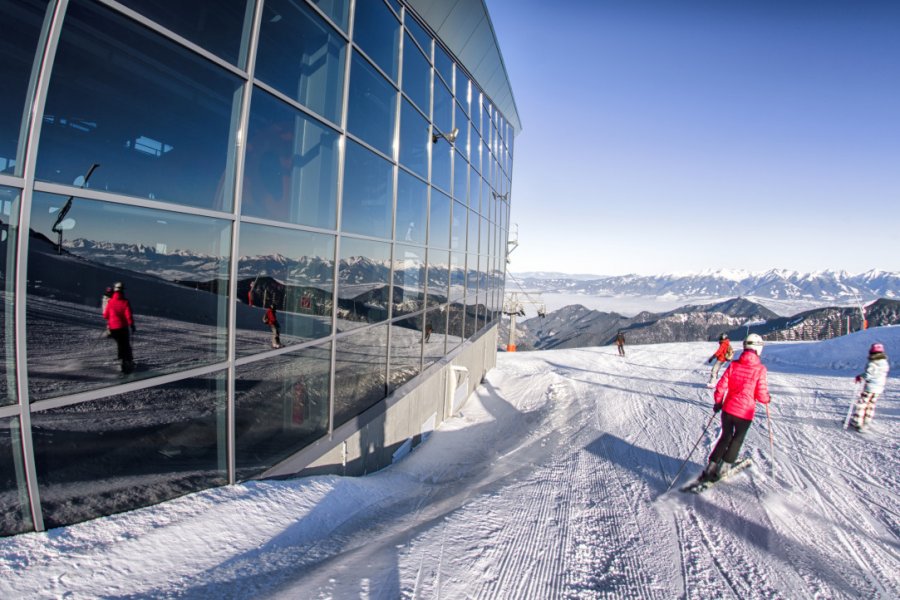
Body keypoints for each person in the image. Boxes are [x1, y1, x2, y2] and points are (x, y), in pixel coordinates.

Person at [698, 333, 770, 483]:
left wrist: (718, 403)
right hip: (745, 413)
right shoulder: (760, 369)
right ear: (757, 349)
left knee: (725, 437)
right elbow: (762, 394)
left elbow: (721, 386)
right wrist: (767, 399)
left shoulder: (734, 365)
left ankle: (710, 468)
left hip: (728, 410)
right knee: (737, 440)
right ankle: (724, 469)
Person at [850, 342, 890, 431]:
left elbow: (868, 375)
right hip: (879, 388)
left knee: (862, 404)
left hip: (870, 387)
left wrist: (860, 377)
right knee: (871, 404)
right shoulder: (884, 363)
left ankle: (858, 421)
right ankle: (867, 420)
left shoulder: (872, 363)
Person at [102, 281, 135, 373]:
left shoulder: (110, 302)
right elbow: (128, 315)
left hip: (113, 328)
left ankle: (123, 360)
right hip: (122, 328)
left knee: (120, 344)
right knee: (125, 345)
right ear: (122, 291)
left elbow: (105, 315)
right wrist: (131, 324)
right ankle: (125, 362)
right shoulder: (125, 302)